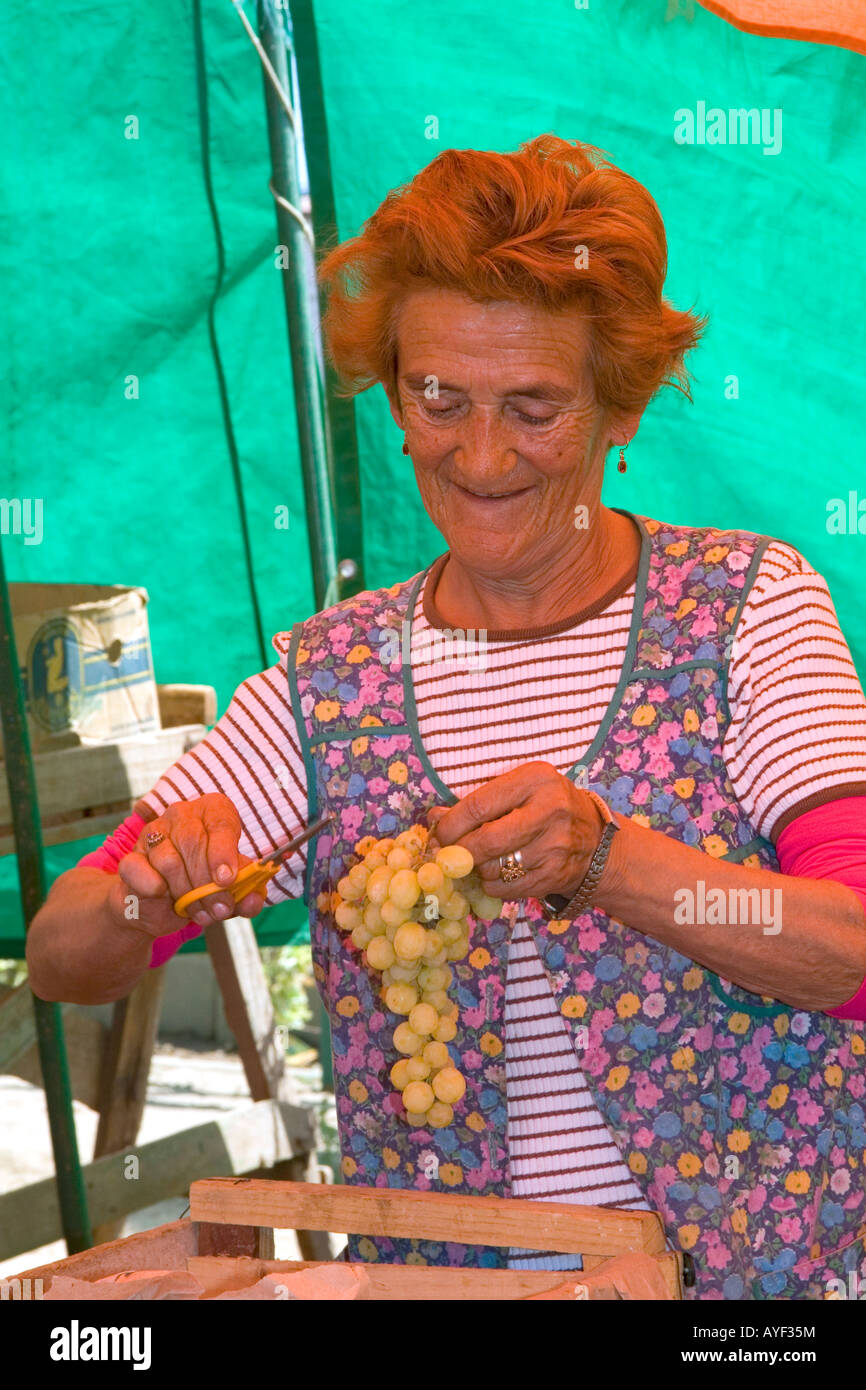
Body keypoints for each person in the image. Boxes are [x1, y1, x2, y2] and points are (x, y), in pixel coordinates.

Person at [28, 135, 866, 1300]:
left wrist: (610, 862)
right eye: (438, 398)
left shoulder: (742, 614)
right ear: (393, 395)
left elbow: (852, 949)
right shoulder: (334, 687)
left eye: (532, 406)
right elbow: (67, 955)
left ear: (615, 407)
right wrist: (149, 888)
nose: (479, 455)